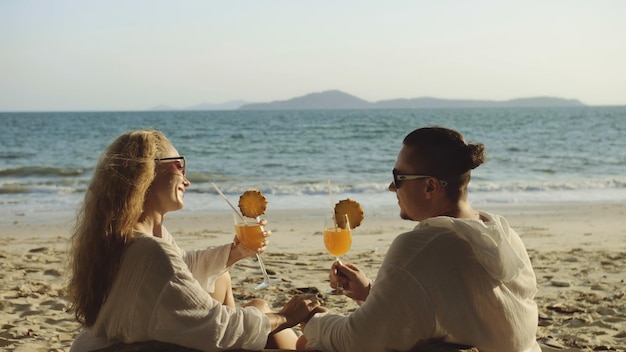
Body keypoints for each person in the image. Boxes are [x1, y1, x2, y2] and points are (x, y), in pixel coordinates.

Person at [68, 129, 322, 352]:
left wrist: (234, 253)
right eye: (179, 166)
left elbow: (179, 271)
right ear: (146, 172)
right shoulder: (148, 250)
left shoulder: (131, 237)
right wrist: (285, 316)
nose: (186, 180)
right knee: (270, 319)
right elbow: (217, 327)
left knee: (244, 296)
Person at [298, 126, 541, 352]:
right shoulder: (502, 234)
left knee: (305, 342)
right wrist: (369, 294)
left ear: (430, 187)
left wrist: (312, 318)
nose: (391, 187)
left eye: (398, 177)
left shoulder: (420, 249)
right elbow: (451, 307)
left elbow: (358, 341)